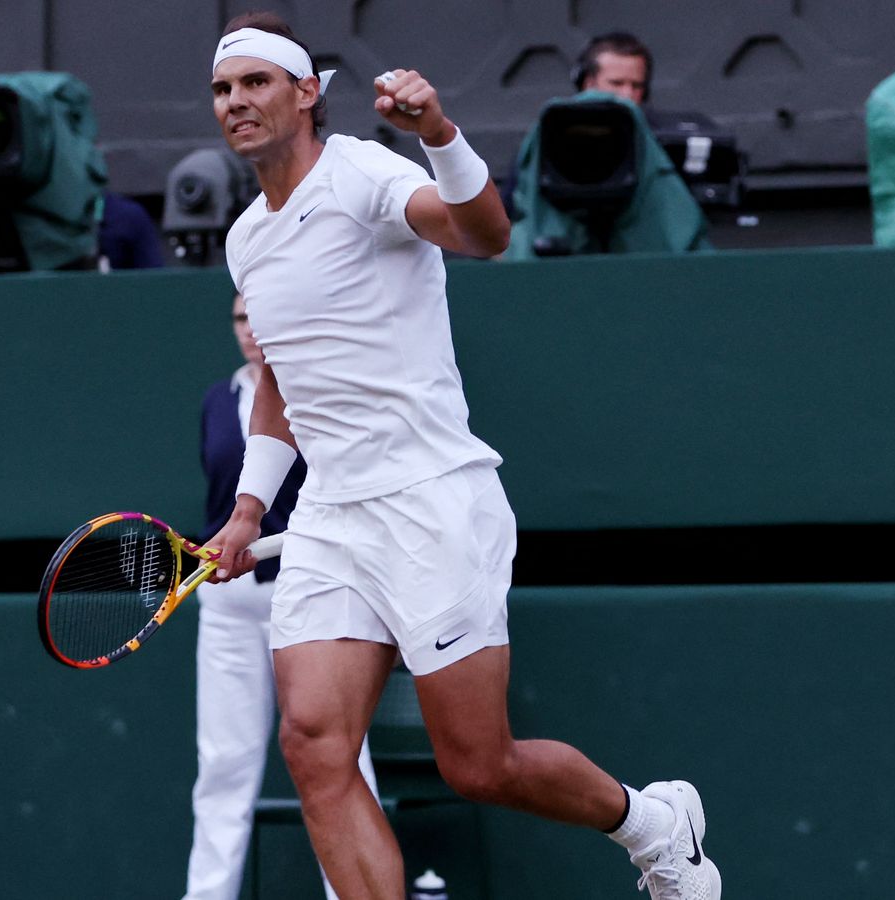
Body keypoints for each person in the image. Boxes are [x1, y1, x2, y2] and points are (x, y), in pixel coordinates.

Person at [203, 13, 720, 900]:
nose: (238, 102)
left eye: (257, 82)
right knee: (314, 746)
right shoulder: (246, 238)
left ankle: (652, 824)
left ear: (306, 92)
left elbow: (485, 234)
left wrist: (439, 135)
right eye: (223, 88)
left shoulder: (365, 173)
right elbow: (285, 378)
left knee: (479, 765)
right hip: (331, 515)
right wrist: (252, 507)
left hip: (430, 498)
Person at [184, 292, 381, 900]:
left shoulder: (320, 392)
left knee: (341, 759)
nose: (249, 330)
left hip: (312, 595)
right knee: (222, 767)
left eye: (258, 317)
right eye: (239, 318)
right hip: (226, 611)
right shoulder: (218, 401)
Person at [500, 32, 654, 215]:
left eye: (636, 86)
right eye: (617, 83)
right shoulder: (552, 133)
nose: (627, 94)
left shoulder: (656, 140)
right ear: (588, 83)